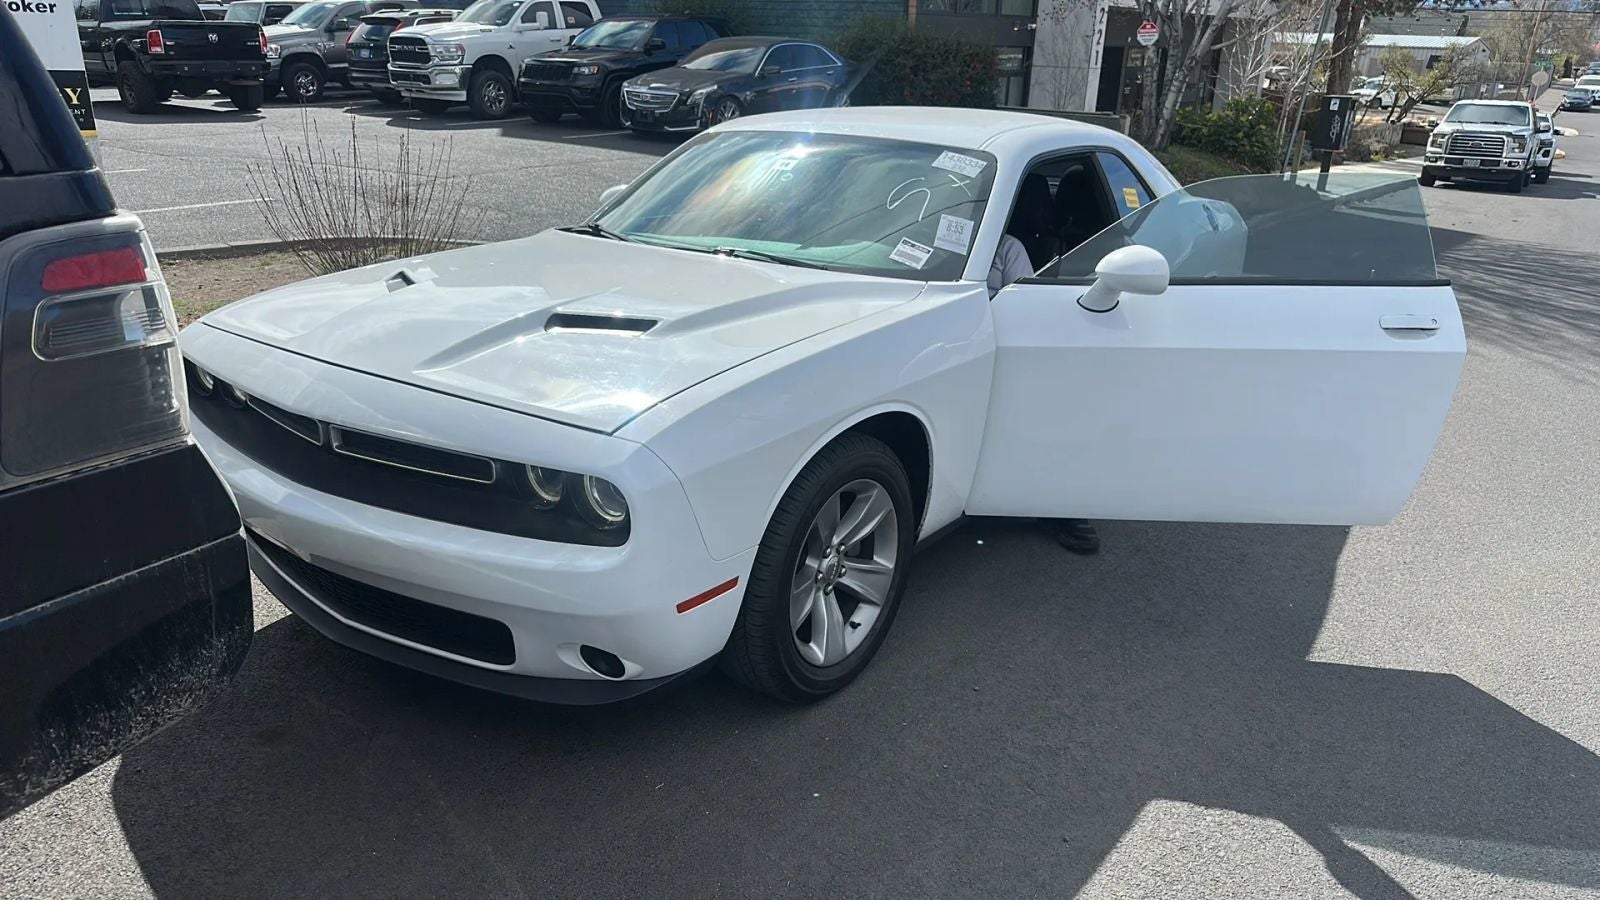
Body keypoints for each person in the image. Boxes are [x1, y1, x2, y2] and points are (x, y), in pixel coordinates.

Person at [989, 173, 1102, 556]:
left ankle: (1059, 503)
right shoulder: (940, 241)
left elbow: (1022, 307)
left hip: (1007, 342)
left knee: (1052, 408)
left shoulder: (1008, 248)